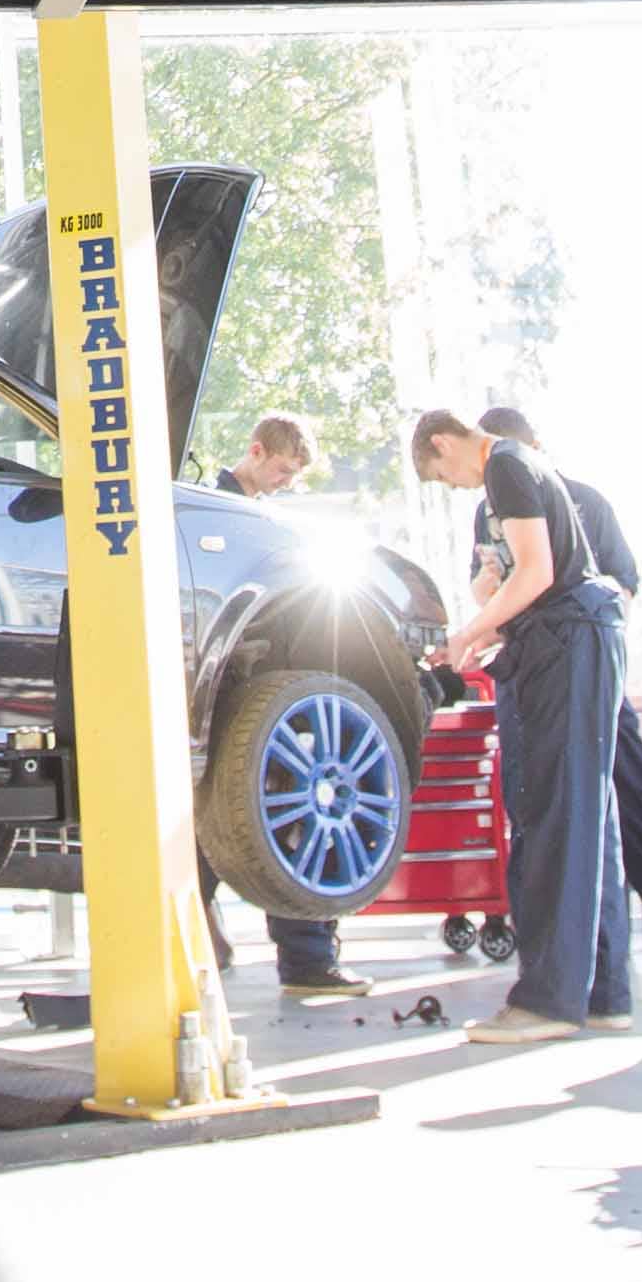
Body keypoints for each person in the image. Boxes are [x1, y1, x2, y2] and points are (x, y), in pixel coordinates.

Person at [412, 409, 626, 1041]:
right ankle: (601, 992)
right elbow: (529, 577)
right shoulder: (515, 473)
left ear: (444, 443)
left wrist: (466, 633)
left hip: (566, 645)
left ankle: (547, 1003)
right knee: (584, 819)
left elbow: (538, 573)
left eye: (443, 475)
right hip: (566, 641)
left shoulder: (504, 465)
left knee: (553, 818)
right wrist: (486, 630)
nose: (455, 487)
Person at [486, 407, 642, 987]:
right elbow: (489, 588)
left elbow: (622, 586)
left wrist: (587, 648)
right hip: (528, 679)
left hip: (589, 671)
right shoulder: (488, 512)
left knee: (627, 800)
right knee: (533, 811)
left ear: (535, 448)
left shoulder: (584, 502)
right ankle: (551, 958)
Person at [202, 414, 358, 996]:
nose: (288, 483)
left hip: (258, 702)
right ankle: (306, 959)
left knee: (250, 823)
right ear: (256, 450)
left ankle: (299, 958)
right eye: (284, 470)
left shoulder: (262, 519)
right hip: (238, 701)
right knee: (285, 822)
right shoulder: (213, 512)